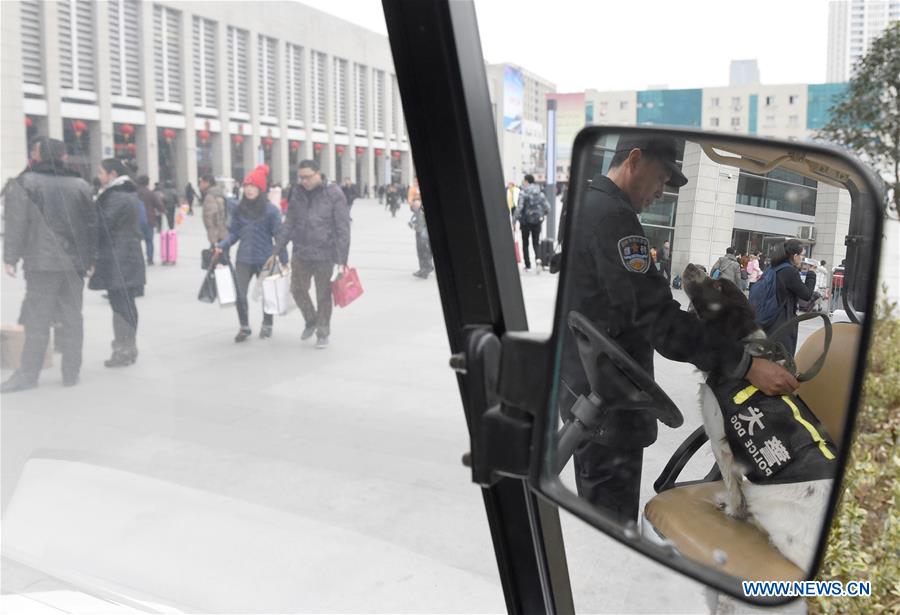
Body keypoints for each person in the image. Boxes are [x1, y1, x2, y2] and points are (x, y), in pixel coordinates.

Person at [559, 134, 800, 524]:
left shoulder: (585, 205)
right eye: (661, 177)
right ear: (634, 160)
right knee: (611, 528)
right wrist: (746, 364)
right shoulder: (614, 219)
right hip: (607, 399)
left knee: (601, 510)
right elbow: (660, 320)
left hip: (584, 386)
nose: (662, 191)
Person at [1, 138, 97, 393]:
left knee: (38, 319)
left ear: (39, 154)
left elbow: (16, 222)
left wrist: (10, 257)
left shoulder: (26, 182)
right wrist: (90, 260)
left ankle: (28, 374)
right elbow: (91, 227)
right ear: (64, 156)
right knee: (72, 317)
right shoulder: (81, 184)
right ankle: (71, 372)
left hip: (41, 262)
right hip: (74, 263)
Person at [273, 159, 351, 349]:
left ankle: (323, 331)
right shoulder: (297, 192)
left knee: (323, 295)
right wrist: (276, 249)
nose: (304, 181)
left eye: (307, 177)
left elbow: (343, 229)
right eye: (301, 178)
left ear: (318, 173)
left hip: (325, 253)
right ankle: (311, 319)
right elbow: (289, 222)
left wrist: (342, 260)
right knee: (297, 289)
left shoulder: (334, 194)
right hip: (301, 251)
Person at [213, 165, 288, 342]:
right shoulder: (239, 209)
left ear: (260, 189)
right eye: (246, 186)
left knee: (268, 294)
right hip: (244, 258)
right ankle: (244, 326)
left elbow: (279, 236)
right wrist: (222, 245)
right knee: (239, 293)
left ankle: (267, 324)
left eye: (252, 186)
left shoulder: (271, 211)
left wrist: (284, 259)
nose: (248, 189)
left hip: (265, 258)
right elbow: (234, 233)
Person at [90, 158, 147, 368]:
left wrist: (92, 255)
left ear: (112, 174)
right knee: (127, 304)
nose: (99, 176)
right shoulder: (129, 193)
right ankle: (128, 348)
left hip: (118, 257)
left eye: (101, 171)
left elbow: (101, 227)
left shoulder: (115, 197)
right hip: (127, 255)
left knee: (121, 306)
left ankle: (123, 349)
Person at [762, 239, 818, 356]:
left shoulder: (772, 268)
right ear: (795, 256)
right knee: (782, 361)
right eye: (802, 255)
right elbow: (806, 295)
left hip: (768, 320)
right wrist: (811, 274)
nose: (803, 258)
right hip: (782, 323)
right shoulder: (789, 271)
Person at [515, 174, 550, 272]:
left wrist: (514, 219)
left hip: (525, 222)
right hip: (537, 221)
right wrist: (542, 215)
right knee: (536, 243)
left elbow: (519, 208)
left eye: (524, 181)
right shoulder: (540, 193)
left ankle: (528, 265)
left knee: (525, 243)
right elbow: (548, 207)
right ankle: (538, 261)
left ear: (526, 181)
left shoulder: (523, 192)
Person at [135, 176, 163, 265]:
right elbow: (159, 205)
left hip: (136, 220)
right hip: (149, 219)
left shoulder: (134, 193)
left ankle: (138, 259)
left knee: (136, 241)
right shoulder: (150, 193)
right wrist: (163, 210)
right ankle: (150, 259)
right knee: (149, 240)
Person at [408, 181, 433, 279]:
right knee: (421, 250)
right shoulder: (414, 191)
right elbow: (412, 207)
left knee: (424, 250)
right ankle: (424, 268)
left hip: (424, 231)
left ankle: (425, 269)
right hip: (419, 230)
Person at [198, 174, 228, 248]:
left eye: (201, 182)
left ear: (207, 183)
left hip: (218, 237)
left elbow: (211, 218)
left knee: (218, 258)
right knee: (224, 257)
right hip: (224, 234)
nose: (199, 185)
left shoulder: (210, 196)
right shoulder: (218, 193)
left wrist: (213, 240)